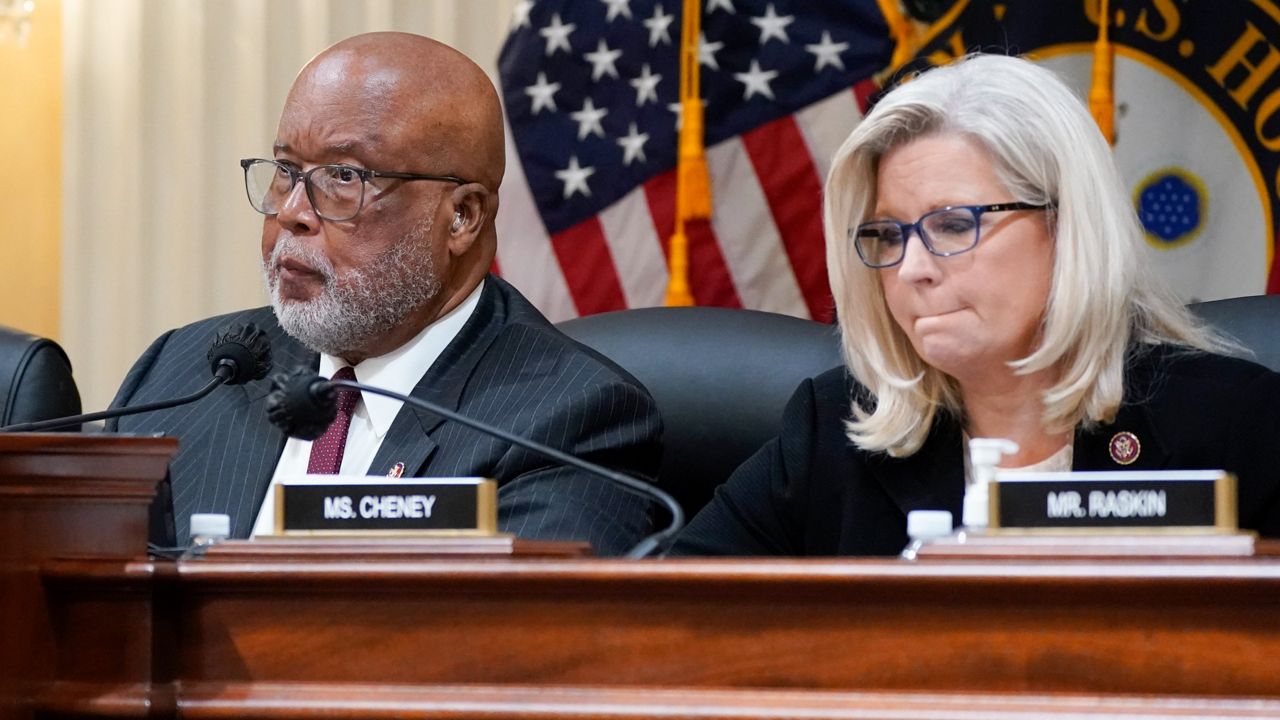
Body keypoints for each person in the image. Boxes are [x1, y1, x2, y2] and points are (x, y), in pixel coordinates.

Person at [669, 53, 1280, 556]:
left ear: (1067, 226)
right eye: (887, 235)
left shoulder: (1237, 425)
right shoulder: (830, 431)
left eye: (955, 225)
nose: (911, 270)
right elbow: (675, 624)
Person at [109, 32, 661, 556]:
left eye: (344, 177)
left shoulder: (569, 420)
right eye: (285, 169)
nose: (293, 212)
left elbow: (505, 646)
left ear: (462, 217)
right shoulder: (182, 373)